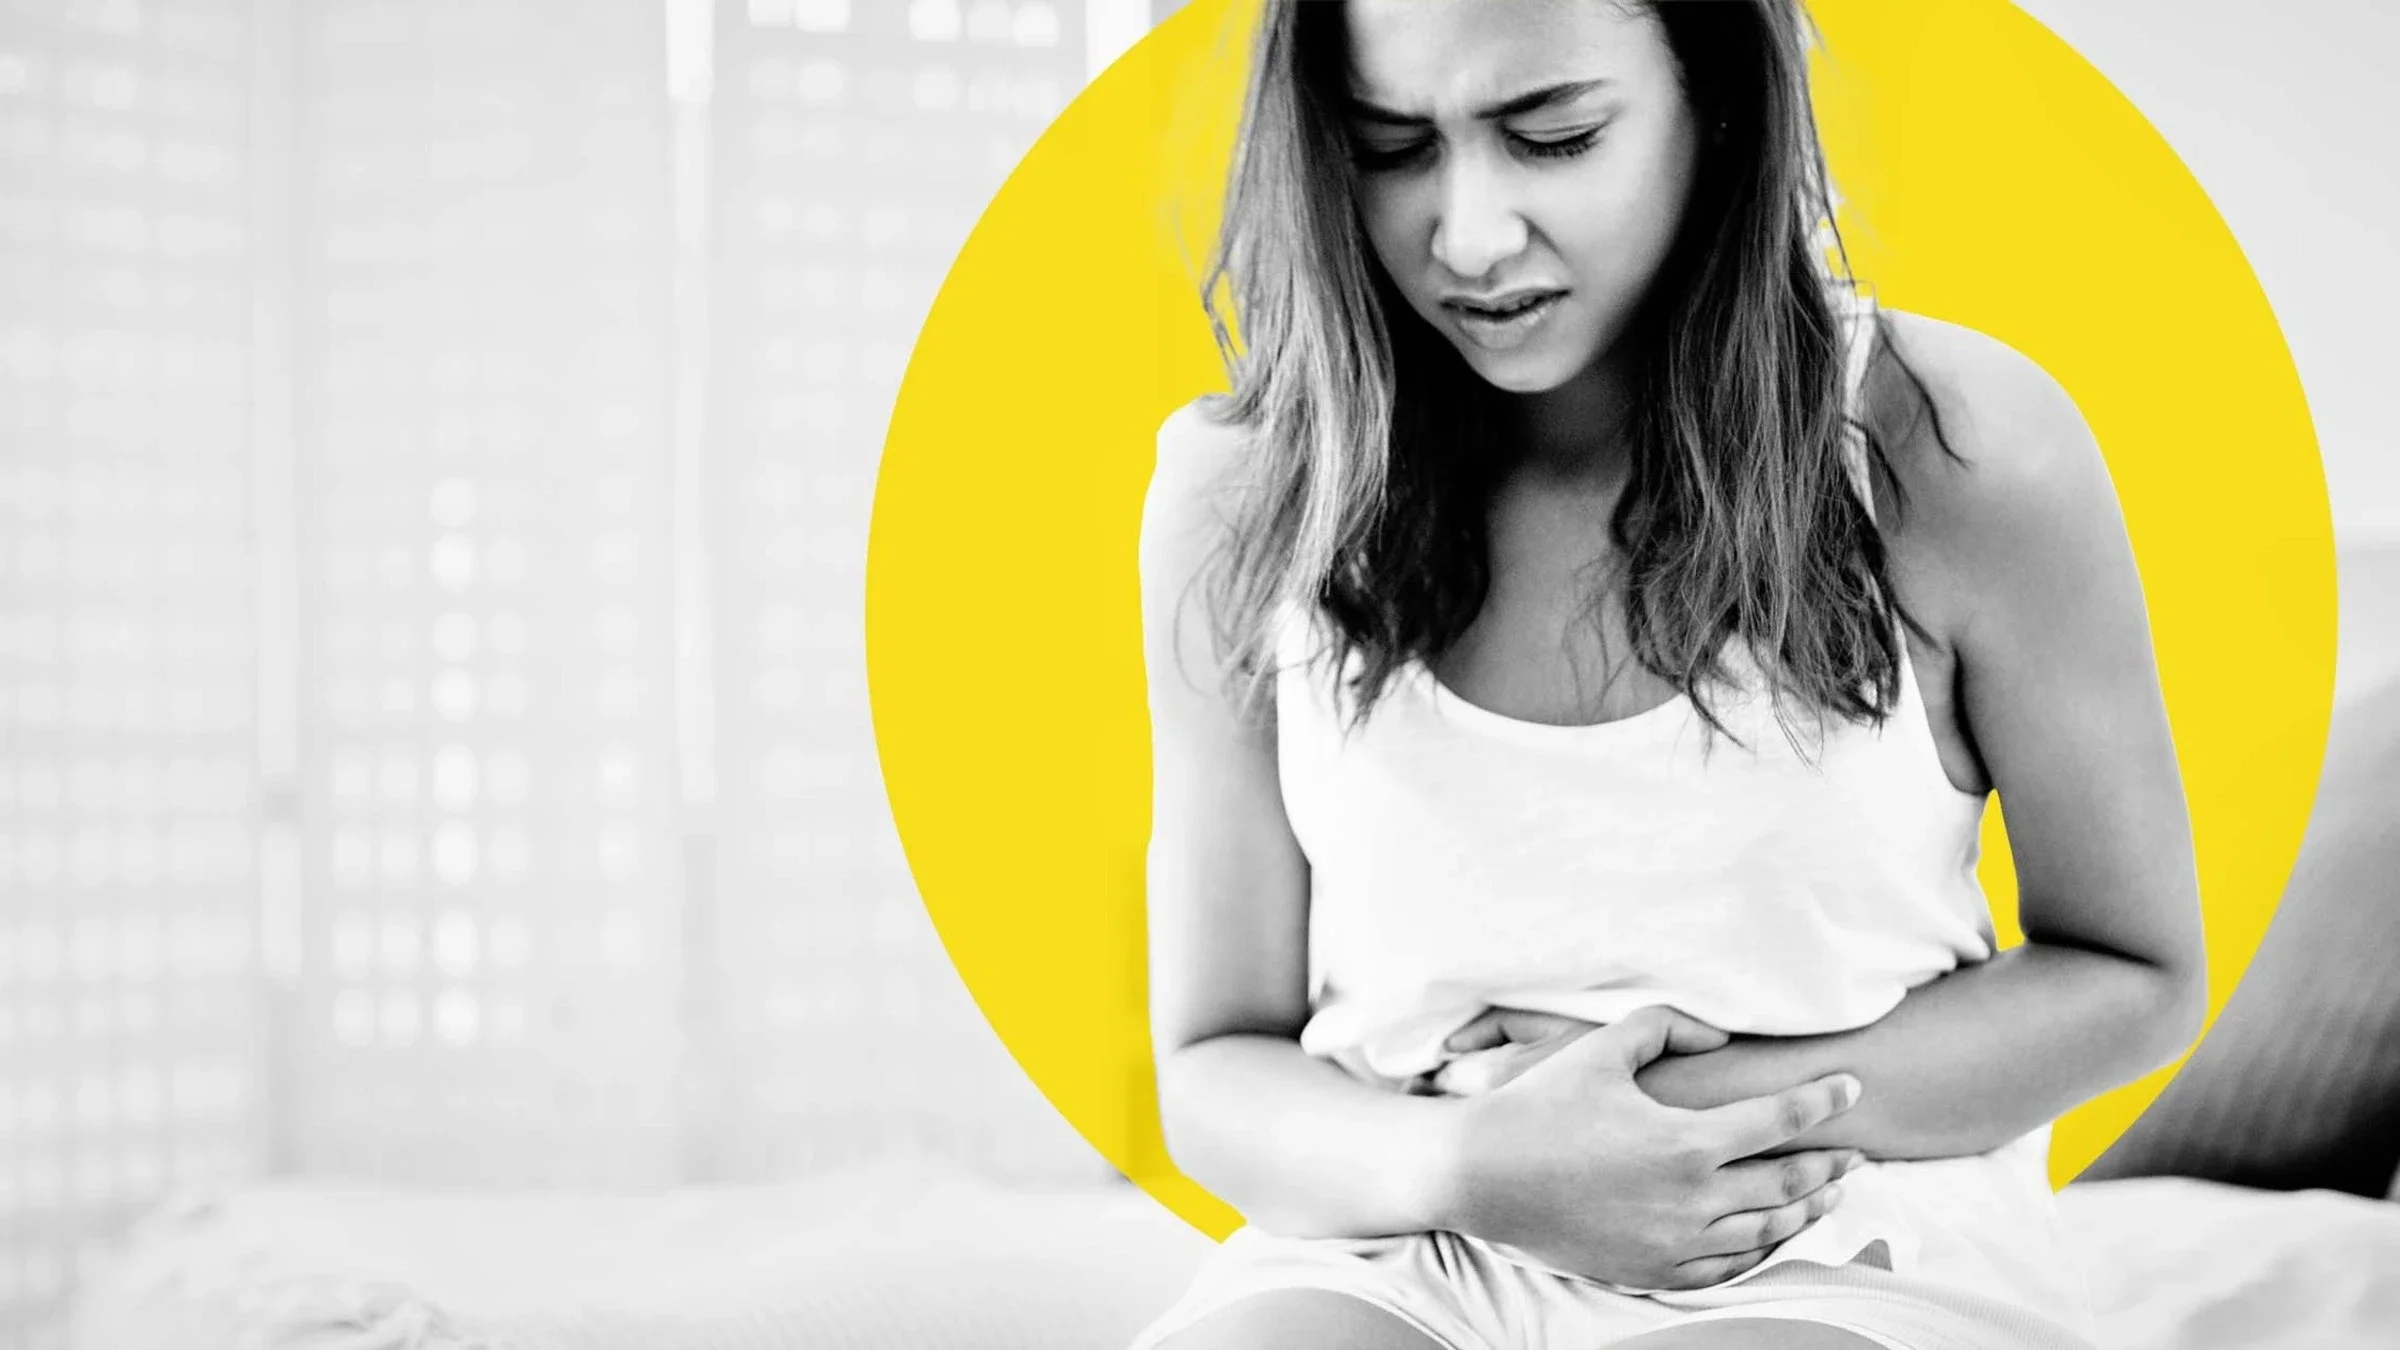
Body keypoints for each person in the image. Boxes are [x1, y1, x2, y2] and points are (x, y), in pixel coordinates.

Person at [1130, 1, 2207, 1347]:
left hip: (1839, 1238)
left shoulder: (1951, 447)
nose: (1466, 236)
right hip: (1408, 1238)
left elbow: (2137, 972)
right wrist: (1483, 1169)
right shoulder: (1243, 489)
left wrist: (1680, 1115)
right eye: (1392, 145)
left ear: (1717, 106)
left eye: (1555, 135)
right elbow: (1212, 1065)